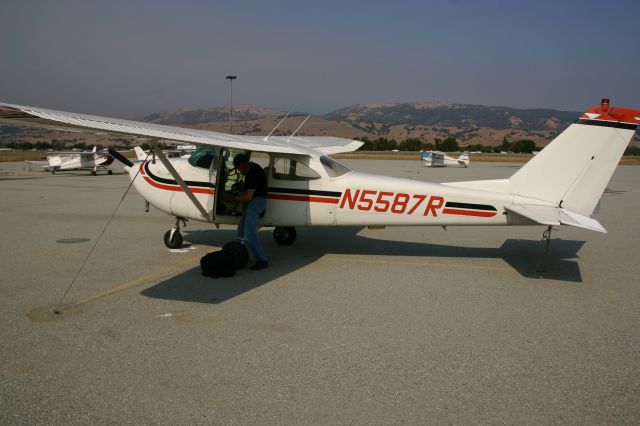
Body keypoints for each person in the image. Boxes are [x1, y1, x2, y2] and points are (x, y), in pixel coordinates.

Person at [229, 153, 268, 270]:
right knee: (241, 229)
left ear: (243, 164)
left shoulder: (252, 173)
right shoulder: (253, 167)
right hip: (255, 201)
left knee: (249, 234)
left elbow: (248, 197)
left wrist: (233, 198)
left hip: (256, 202)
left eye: (238, 167)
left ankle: (262, 260)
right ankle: (238, 251)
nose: (238, 170)